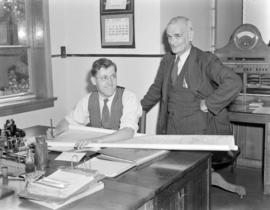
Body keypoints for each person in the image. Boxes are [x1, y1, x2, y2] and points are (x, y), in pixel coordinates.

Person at [141, 16, 242, 135]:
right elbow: (157, 88)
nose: (172, 42)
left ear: (190, 36)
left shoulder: (205, 60)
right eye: (169, 37)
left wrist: (209, 103)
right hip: (171, 129)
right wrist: (137, 109)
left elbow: (234, 82)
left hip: (199, 131)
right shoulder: (167, 60)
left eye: (177, 36)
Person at [54, 58, 142, 147]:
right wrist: (56, 130)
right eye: (104, 78)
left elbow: (128, 132)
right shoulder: (88, 100)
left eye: (113, 76)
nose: (110, 82)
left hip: (123, 149)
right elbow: (69, 121)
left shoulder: (128, 98)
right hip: (97, 151)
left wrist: (96, 141)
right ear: (94, 81)